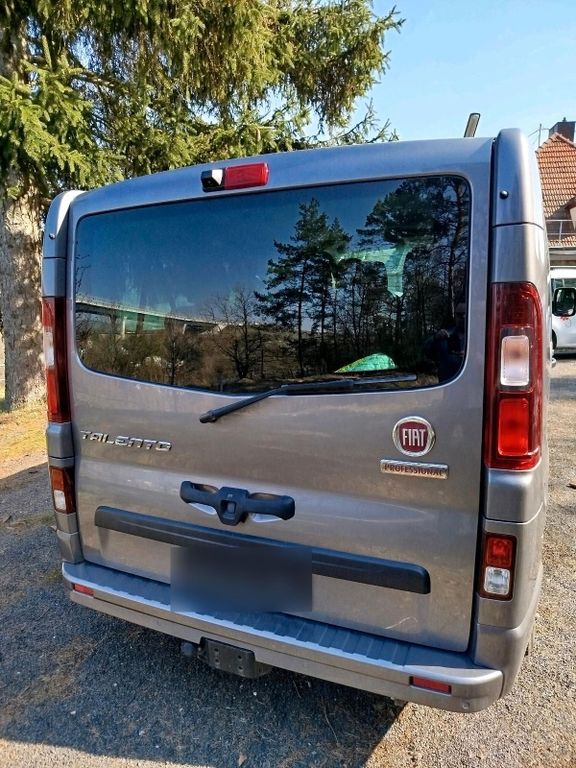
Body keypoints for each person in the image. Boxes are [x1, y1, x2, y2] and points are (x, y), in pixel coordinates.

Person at [424, 303, 466, 383]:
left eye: (465, 314)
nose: (463, 317)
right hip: (447, 386)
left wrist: (469, 356)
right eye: (459, 314)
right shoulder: (445, 335)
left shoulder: (476, 338)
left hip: (469, 385)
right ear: (455, 316)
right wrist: (435, 338)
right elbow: (425, 351)